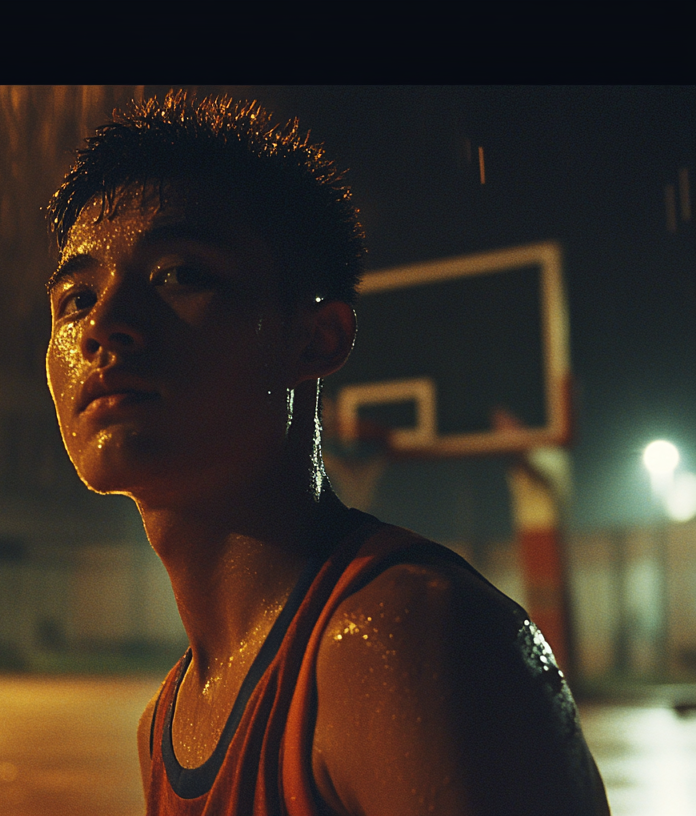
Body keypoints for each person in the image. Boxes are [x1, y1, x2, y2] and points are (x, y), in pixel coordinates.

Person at [44, 93, 608, 816]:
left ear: (317, 339)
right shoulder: (165, 720)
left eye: (180, 273)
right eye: (76, 298)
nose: (104, 326)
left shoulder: (401, 637)